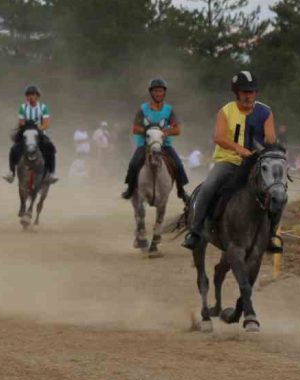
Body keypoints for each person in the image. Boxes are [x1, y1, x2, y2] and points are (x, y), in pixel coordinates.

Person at [181, 70, 281, 253]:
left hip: (257, 163)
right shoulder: (226, 111)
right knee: (209, 186)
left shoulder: (265, 111)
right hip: (228, 161)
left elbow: (270, 138)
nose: (248, 96)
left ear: (256, 93)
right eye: (244, 92)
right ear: (236, 93)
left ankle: (271, 235)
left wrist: (269, 146)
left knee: (279, 192)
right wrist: (239, 149)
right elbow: (218, 137)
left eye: (251, 92)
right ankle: (195, 230)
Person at [120, 78, 190, 202]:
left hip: (164, 145)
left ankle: (181, 190)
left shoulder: (169, 110)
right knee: (134, 164)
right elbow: (135, 129)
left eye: (160, 91)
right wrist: (148, 131)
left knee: (178, 164)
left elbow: (177, 130)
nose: (158, 94)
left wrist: (165, 132)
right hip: (145, 144)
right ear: (151, 93)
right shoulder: (142, 109)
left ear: (164, 93)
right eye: (156, 91)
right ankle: (130, 188)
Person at [3, 85, 57, 184]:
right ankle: (11, 173)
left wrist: (37, 128)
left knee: (50, 148)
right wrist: (29, 126)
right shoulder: (23, 107)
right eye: (28, 95)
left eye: (32, 95)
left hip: (39, 134)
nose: (30, 97)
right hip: (26, 133)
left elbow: (46, 124)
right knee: (14, 149)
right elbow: (21, 122)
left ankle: (52, 173)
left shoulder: (43, 107)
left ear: (37, 96)